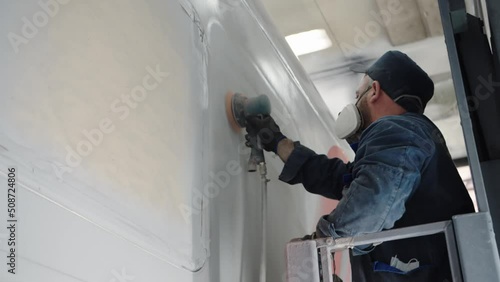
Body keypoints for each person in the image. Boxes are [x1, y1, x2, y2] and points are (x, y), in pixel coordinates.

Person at [245, 51, 474, 281]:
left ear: (373, 91)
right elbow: (342, 180)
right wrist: (276, 142)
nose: (355, 102)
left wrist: (319, 242)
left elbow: (373, 200)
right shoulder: (406, 141)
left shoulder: (397, 130)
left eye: (357, 94)